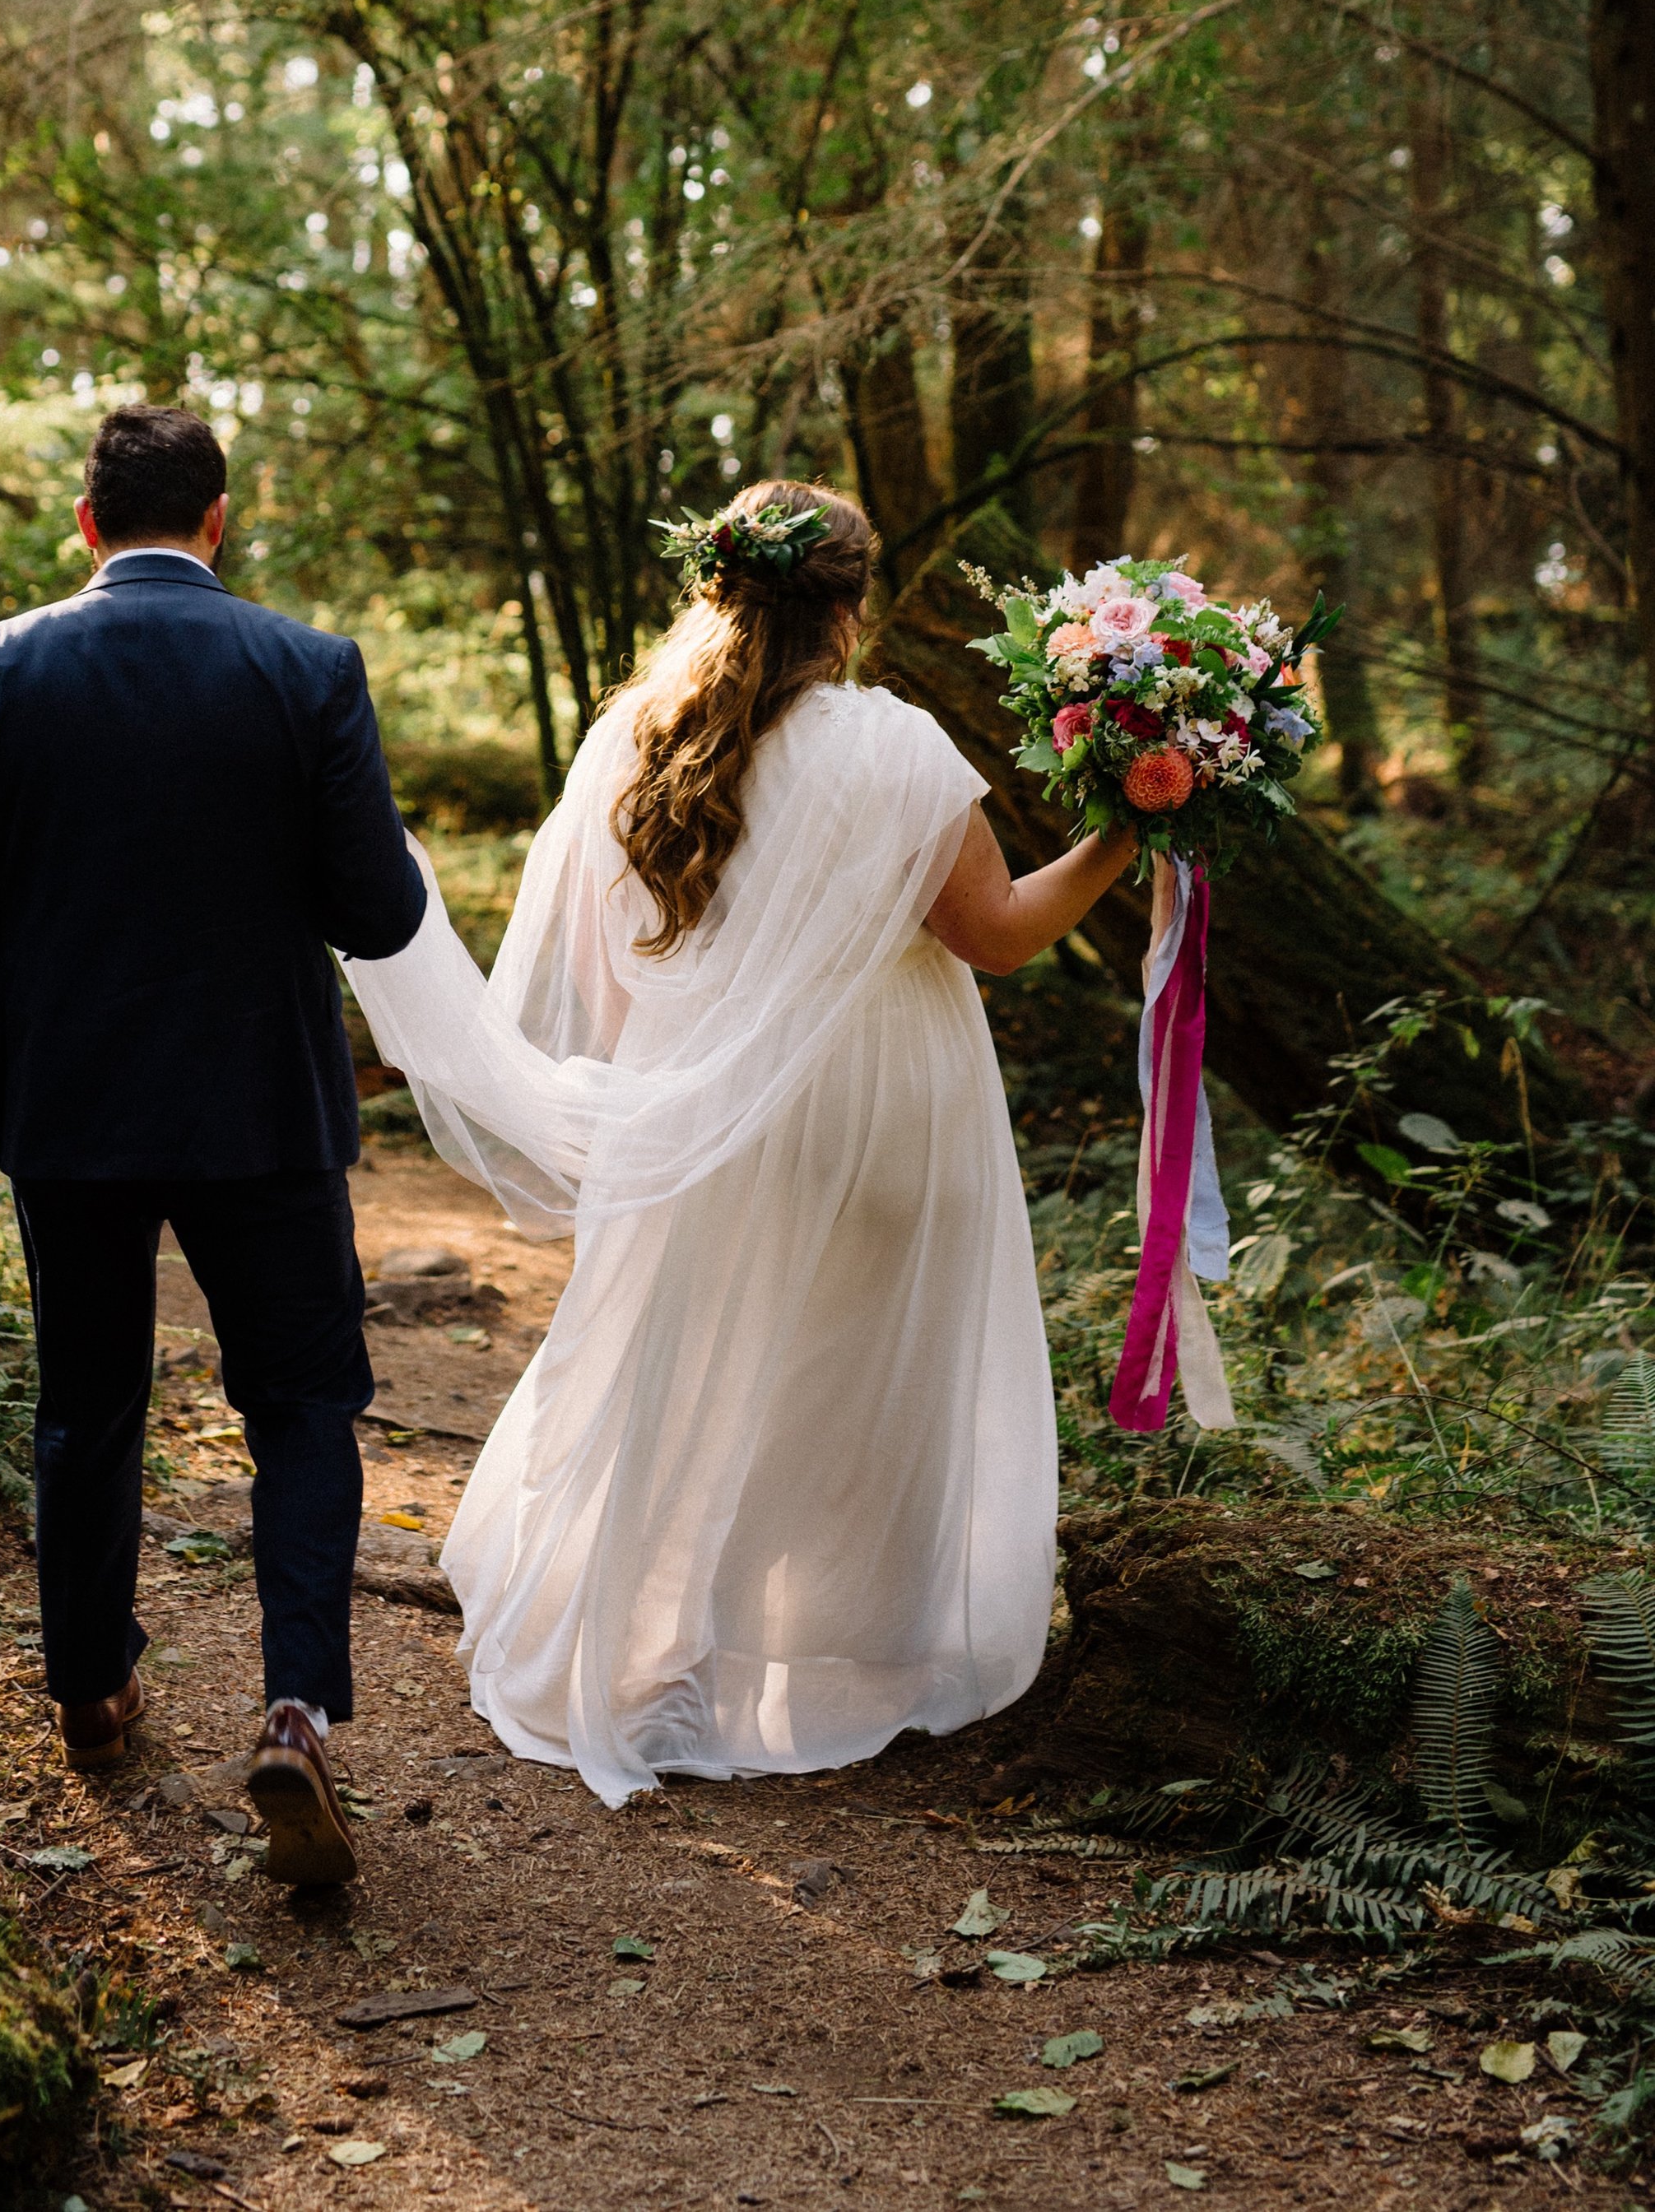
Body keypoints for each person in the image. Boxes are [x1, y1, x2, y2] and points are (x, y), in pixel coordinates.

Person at [344, 481, 1133, 1808]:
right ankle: (846, 1661)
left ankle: (654, 1658)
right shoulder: (898, 747)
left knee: (694, 1373)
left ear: (713, 589)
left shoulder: (639, 741)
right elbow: (993, 933)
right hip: (885, 1116)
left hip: (699, 1112)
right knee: (855, 1387)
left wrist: (664, 1089)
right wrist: (1130, 834)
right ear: (853, 605)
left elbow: (600, 980)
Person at [0, 405, 424, 1884]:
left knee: (90, 1397)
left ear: (88, 519)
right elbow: (375, 914)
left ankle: (92, 1691)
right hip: (263, 1115)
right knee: (302, 1403)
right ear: (220, 519)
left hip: (76, 1109)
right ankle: (295, 1712)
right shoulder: (308, 670)